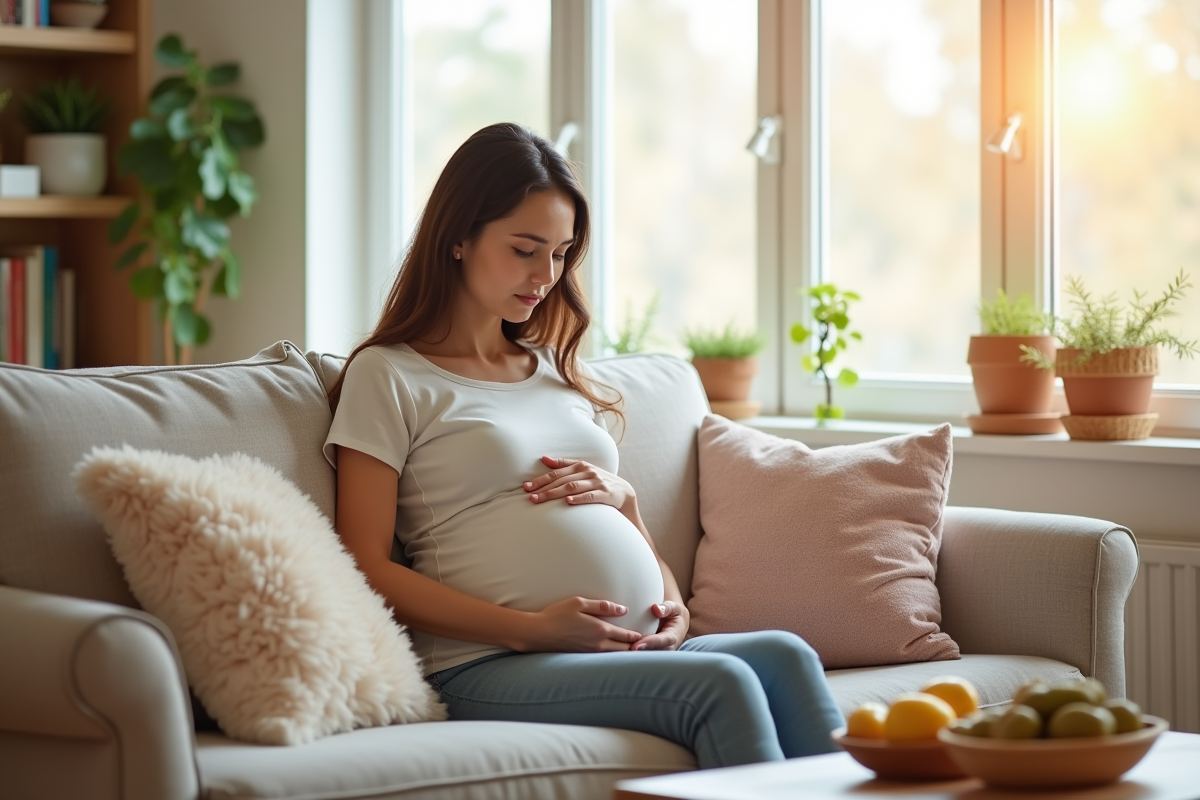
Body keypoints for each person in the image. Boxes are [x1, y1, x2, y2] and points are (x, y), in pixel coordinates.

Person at [322, 122, 844, 769]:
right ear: (457, 237)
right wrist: (529, 628)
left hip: (627, 645)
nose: (546, 274)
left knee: (786, 654)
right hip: (489, 662)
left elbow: (626, 527)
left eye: (562, 252)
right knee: (724, 683)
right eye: (524, 249)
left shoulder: (552, 368)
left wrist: (673, 602)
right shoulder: (390, 374)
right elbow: (363, 565)